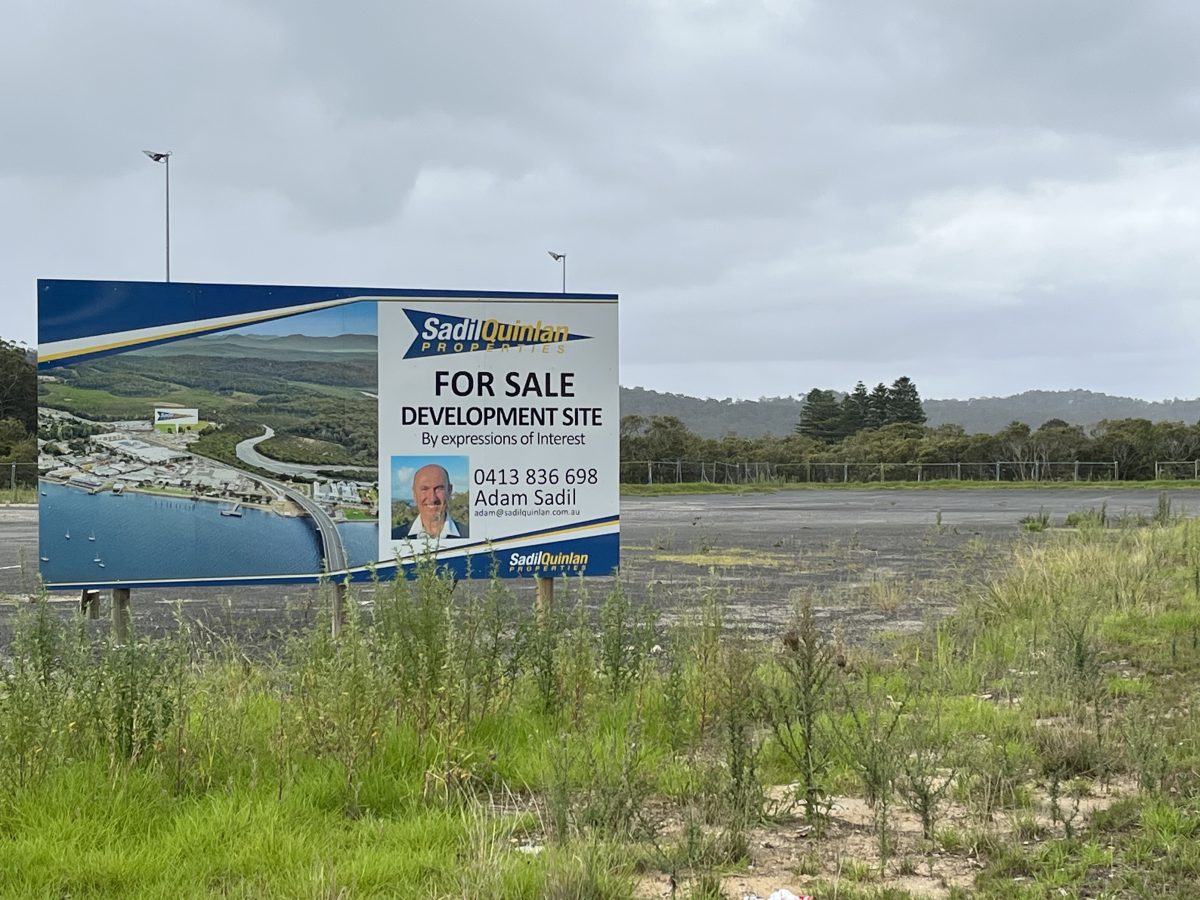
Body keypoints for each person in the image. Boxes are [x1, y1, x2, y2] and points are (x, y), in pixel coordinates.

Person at [406, 463, 468, 538]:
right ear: (414, 493)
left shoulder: (469, 536)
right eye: (424, 489)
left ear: (449, 491)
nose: (432, 498)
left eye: (439, 488)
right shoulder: (395, 536)